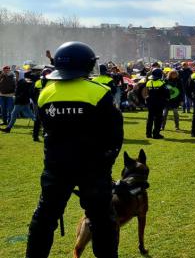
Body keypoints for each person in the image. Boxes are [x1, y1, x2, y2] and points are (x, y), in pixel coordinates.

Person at [25, 41, 123, 258]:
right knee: (102, 220)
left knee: (44, 218)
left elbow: (46, 128)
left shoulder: (46, 93)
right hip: (94, 167)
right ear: (88, 64)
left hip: (56, 166)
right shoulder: (99, 92)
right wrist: (107, 160)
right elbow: (115, 133)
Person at [1, 67, 34, 133]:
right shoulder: (21, 81)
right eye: (16, 74)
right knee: (30, 115)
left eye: (17, 74)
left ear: (21, 74)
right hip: (23, 101)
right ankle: (8, 128)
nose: (16, 75)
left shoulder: (22, 82)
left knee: (14, 114)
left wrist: (17, 97)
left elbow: (23, 93)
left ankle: (8, 128)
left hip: (21, 101)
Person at [142, 68, 168, 139]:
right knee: (158, 119)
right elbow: (166, 94)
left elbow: (146, 92)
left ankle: (148, 134)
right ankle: (156, 134)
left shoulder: (148, 82)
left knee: (150, 118)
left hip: (150, 103)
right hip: (159, 103)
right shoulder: (162, 83)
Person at [31, 67, 52, 142]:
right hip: (48, 103)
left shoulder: (38, 82)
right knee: (48, 119)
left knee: (38, 120)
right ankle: (44, 133)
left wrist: (35, 101)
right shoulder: (53, 83)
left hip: (39, 102)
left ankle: (35, 136)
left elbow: (33, 93)